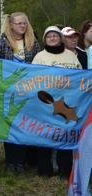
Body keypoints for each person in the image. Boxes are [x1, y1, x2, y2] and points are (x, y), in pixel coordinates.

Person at [32, 26, 81, 178]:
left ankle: (65, 170)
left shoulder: (71, 55)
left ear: (60, 38)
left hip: (67, 102)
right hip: (46, 103)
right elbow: (32, 78)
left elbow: (80, 76)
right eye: (49, 36)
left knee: (65, 135)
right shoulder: (40, 56)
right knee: (45, 136)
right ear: (45, 40)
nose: (52, 38)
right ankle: (44, 169)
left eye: (55, 35)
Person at [0, 12, 40, 173]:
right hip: (8, 90)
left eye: (24, 23)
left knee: (24, 125)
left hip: (27, 90)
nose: (22, 26)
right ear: (11, 25)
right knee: (10, 125)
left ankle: (20, 162)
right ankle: (10, 162)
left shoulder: (33, 43)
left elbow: (37, 65)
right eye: (19, 23)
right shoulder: (1, 42)